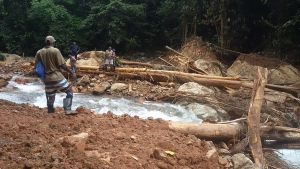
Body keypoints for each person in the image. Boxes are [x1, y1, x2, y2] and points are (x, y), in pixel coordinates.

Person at [35, 36, 76, 114]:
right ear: (53, 42)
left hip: (47, 78)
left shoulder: (39, 52)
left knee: (51, 96)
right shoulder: (55, 51)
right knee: (69, 91)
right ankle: (67, 109)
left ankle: (50, 111)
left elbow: (37, 66)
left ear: (45, 42)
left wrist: (41, 77)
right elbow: (62, 65)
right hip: (57, 76)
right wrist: (71, 73)